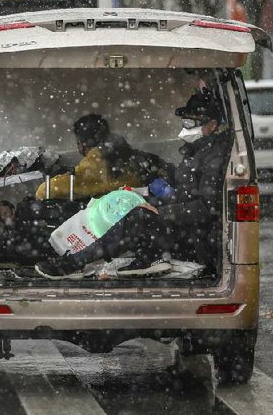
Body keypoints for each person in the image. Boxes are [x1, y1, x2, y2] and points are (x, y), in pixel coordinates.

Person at [35, 89, 231, 279]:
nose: (186, 127)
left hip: (195, 238)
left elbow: (207, 207)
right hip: (184, 228)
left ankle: (73, 263)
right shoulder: (198, 151)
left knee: (137, 216)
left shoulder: (214, 157)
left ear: (212, 125)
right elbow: (184, 194)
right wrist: (152, 200)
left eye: (191, 123)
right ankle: (146, 258)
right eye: (184, 122)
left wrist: (159, 211)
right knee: (134, 208)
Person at [35, 113, 167, 200]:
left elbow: (44, 191)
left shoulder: (97, 162)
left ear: (82, 143)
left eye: (78, 141)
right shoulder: (126, 152)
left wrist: (53, 180)